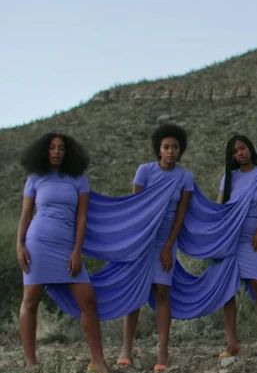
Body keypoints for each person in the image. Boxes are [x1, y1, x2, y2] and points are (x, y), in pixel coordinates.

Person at [16, 133, 109, 372]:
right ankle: (31, 364)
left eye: (61, 148)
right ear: (44, 151)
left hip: (66, 247)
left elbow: (82, 217)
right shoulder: (35, 178)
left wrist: (77, 250)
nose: (56, 152)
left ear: (68, 153)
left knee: (88, 300)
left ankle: (98, 362)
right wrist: (19, 245)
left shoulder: (78, 179)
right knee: (30, 301)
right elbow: (26, 215)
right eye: (52, 148)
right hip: (37, 243)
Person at [118, 124, 194, 373]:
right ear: (158, 150)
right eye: (166, 147)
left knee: (162, 291)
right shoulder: (144, 171)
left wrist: (169, 245)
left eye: (175, 147)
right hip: (141, 241)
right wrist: (135, 242)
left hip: (165, 242)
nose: (171, 151)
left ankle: (163, 349)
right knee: (135, 294)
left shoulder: (185, 177)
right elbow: (134, 206)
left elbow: (181, 215)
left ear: (179, 150)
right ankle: (126, 349)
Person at [217, 134, 257, 361]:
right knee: (227, 291)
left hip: (252, 240)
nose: (240, 153)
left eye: (242, 148)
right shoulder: (228, 178)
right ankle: (232, 343)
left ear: (250, 148)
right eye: (235, 151)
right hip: (230, 240)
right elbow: (219, 208)